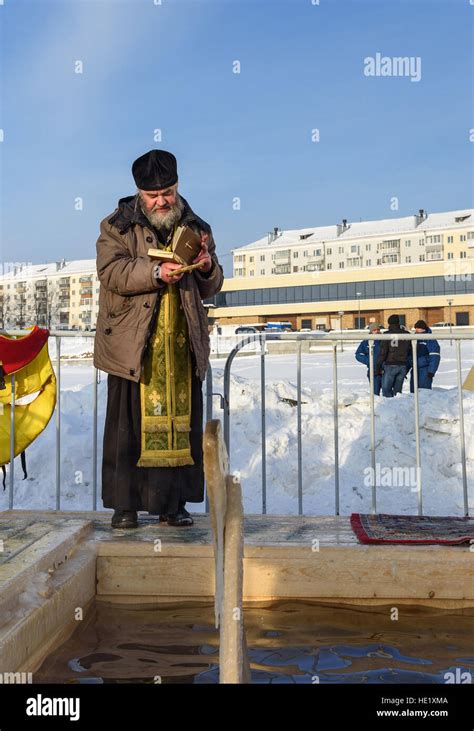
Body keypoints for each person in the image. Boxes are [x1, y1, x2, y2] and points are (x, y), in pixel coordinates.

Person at [93, 149, 224, 529]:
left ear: (177, 187)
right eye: (153, 196)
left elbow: (212, 285)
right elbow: (111, 271)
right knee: (127, 430)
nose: (161, 201)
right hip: (134, 346)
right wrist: (154, 272)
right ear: (140, 194)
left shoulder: (197, 227)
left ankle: (173, 504)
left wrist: (207, 267)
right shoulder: (117, 225)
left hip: (181, 345)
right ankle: (125, 506)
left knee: (181, 426)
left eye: (167, 192)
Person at [375, 314, 410, 397]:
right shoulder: (407, 334)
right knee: (398, 392)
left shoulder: (387, 334)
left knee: (386, 390)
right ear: (398, 322)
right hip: (403, 365)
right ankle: (397, 407)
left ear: (389, 323)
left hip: (390, 364)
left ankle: (389, 408)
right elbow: (410, 350)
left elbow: (383, 352)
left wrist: (378, 365)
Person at [407, 320, 440, 393]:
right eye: (416, 328)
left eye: (418, 328)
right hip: (415, 369)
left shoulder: (429, 339)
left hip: (425, 369)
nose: (416, 330)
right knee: (413, 392)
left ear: (423, 328)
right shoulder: (414, 338)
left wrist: (431, 371)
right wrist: (405, 370)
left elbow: (435, 355)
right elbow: (409, 356)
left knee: (424, 392)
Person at [355, 323, 384, 395]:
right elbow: (358, 355)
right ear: (371, 331)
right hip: (373, 371)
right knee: (375, 393)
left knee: (387, 393)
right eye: (374, 330)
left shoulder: (384, 340)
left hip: (385, 371)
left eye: (378, 330)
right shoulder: (366, 342)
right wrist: (369, 361)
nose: (377, 331)